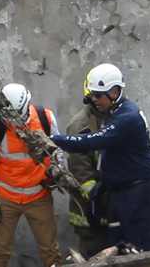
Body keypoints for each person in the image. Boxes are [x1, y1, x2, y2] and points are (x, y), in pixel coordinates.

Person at [50, 63, 150, 252]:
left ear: (115, 91)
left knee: (138, 245)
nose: (94, 100)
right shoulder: (115, 112)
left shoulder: (127, 117)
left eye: (98, 95)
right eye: (92, 95)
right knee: (119, 242)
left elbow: (92, 141)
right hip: (123, 190)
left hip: (137, 191)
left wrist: (53, 139)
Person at [0, 83, 62, 267]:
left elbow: (58, 152)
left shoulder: (45, 118)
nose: (12, 122)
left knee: (50, 252)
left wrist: (57, 171)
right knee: (0, 253)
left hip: (39, 196)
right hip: (6, 198)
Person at [64, 77, 108, 257]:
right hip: (89, 210)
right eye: (95, 97)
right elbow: (81, 173)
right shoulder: (80, 126)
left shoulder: (113, 118)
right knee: (93, 254)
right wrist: (100, 201)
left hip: (109, 207)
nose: (98, 101)